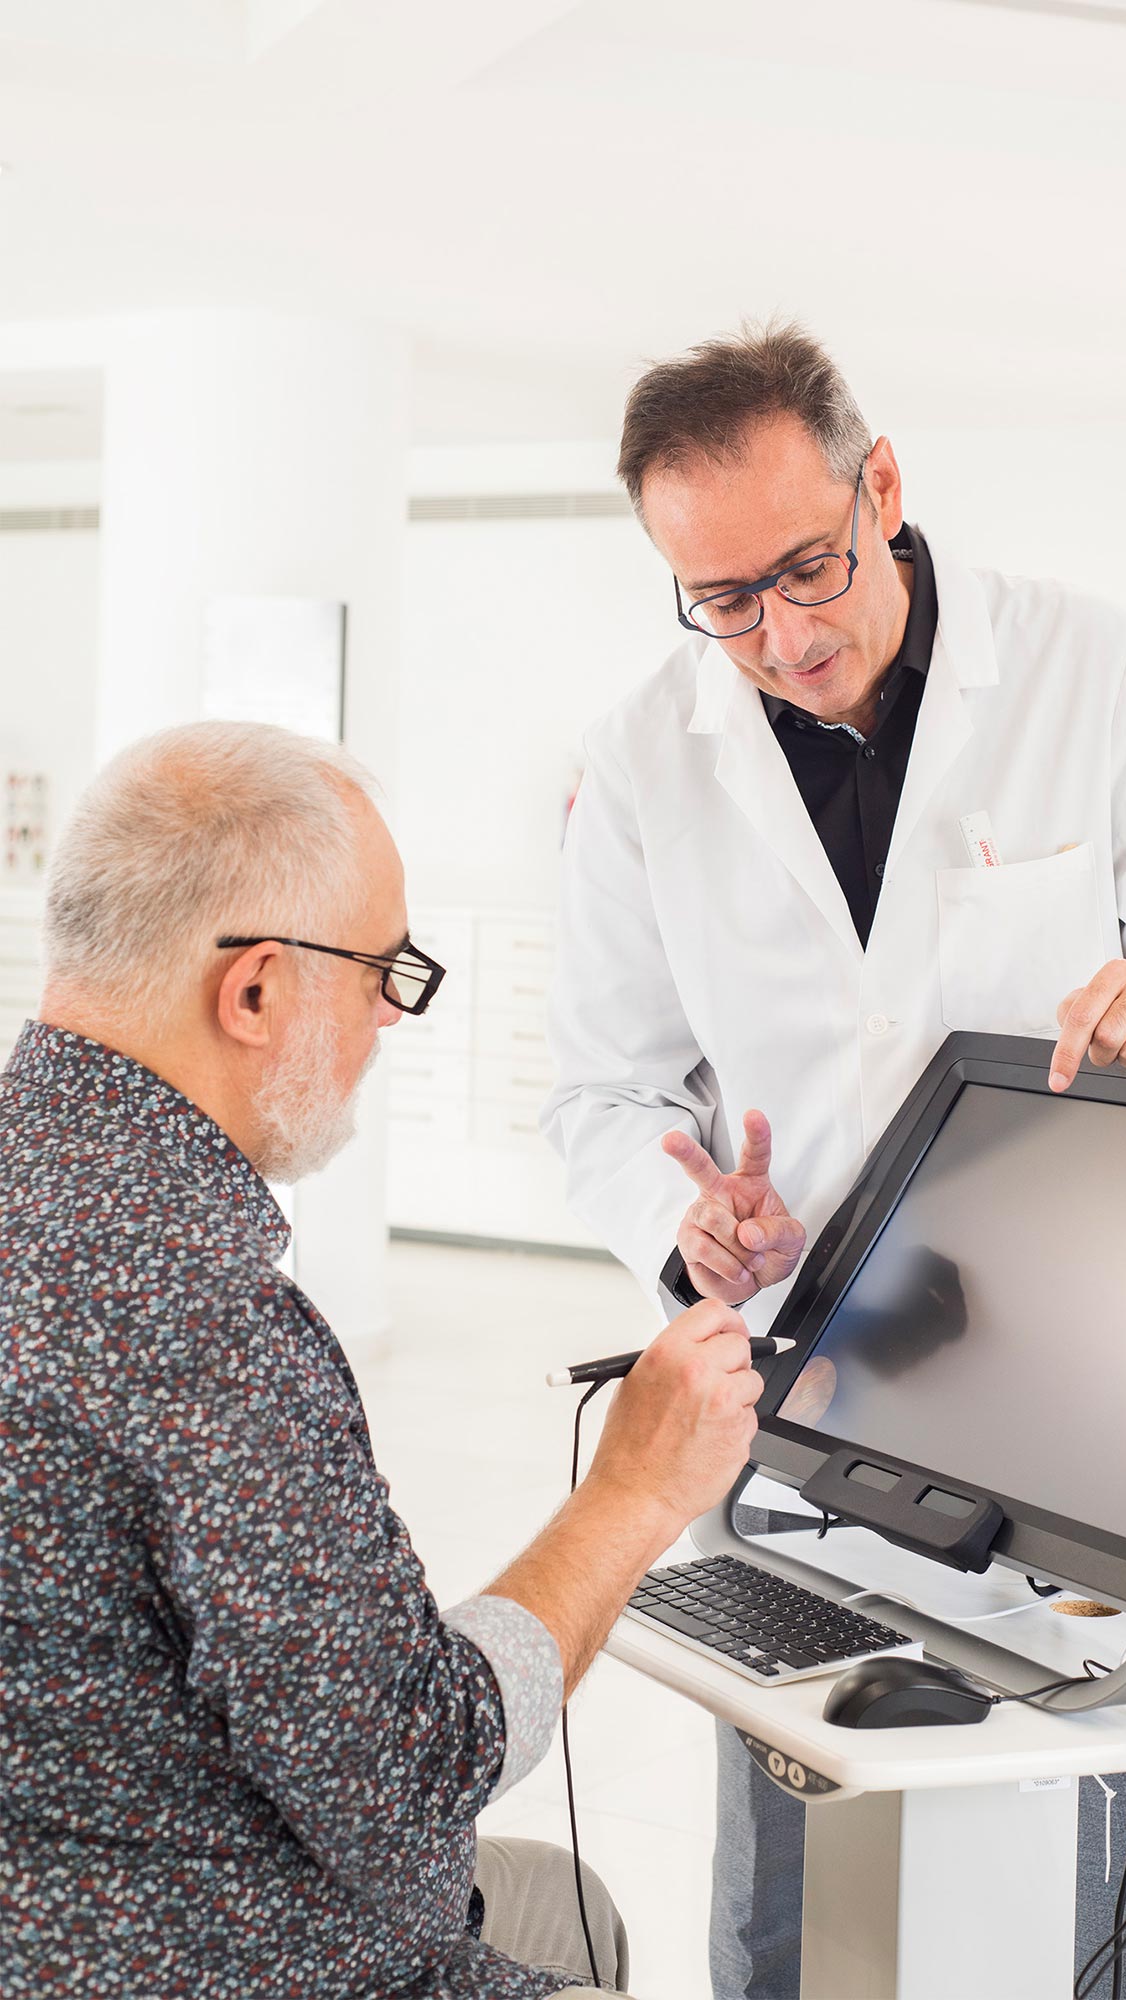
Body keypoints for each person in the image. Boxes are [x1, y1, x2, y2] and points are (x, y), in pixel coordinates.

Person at [542, 323, 1126, 1999]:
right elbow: (600, 1090)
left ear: (880, 487)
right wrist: (691, 1226)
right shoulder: (643, 758)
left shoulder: (1091, 668)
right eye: (721, 601)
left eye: (805, 570)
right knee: (804, 1882)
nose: (781, 635)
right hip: (821, 1390)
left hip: (1104, 1377)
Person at [0, 720, 764, 2000]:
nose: (392, 1015)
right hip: (193, 1951)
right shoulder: (199, 1317)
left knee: (560, 1900)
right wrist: (635, 1488)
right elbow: (410, 1770)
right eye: (383, 971)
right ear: (254, 991)